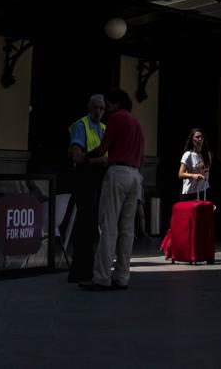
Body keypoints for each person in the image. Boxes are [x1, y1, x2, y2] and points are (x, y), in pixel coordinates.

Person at [83, 89, 144, 292]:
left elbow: (103, 148)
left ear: (116, 103)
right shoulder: (137, 123)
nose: (106, 109)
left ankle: (101, 277)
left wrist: (85, 157)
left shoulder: (116, 119)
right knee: (127, 229)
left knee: (108, 225)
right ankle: (122, 277)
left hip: (117, 173)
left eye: (108, 104)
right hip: (135, 176)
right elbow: (142, 156)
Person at [66, 94, 107, 283]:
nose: (98, 111)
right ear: (89, 108)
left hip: (99, 180)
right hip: (84, 179)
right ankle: (80, 267)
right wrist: (96, 158)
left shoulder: (105, 128)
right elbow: (76, 157)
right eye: (95, 108)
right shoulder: (81, 126)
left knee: (92, 225)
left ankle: (88, 266)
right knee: (85, 224)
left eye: (101, 108)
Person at [178, 128, 211, 201]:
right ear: (192, 140)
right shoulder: (188, 154)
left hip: (204, 190)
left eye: (201, 137)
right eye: (197, 137)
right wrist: (193, 176)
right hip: (190, 193)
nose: (200, 139)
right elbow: (180, 174)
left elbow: (206, 172)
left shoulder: (206, 155)